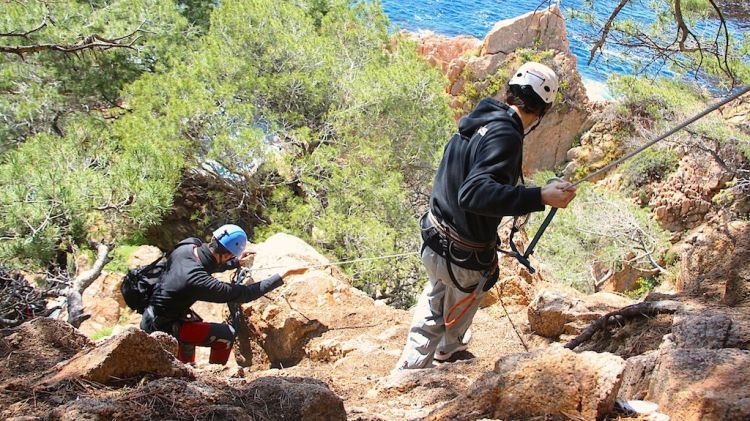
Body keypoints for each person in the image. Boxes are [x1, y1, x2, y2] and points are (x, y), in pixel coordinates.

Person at [396, 62, 577, 369]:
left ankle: (433, 353)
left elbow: (468, 183)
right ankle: (430, 360)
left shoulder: (479, 120)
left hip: (434, 238)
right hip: (461, 257)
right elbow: (475, 193)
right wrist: (540, 196)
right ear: (542, 112)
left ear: (510, 92)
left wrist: (539, 191)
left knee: (436, 296)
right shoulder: (507, 136)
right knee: (454, 302)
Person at [140, 224, 307, 365]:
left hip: (153, 315)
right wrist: (283, 275)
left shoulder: (188, 246)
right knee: (226, 336)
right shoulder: (199, 281)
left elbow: (207, 262)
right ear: (226, 254)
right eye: (230, 257)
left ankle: (187, 368)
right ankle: (212, 378)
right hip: (163, 329)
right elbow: (245, 294)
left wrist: (234, 263)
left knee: (190, 337)